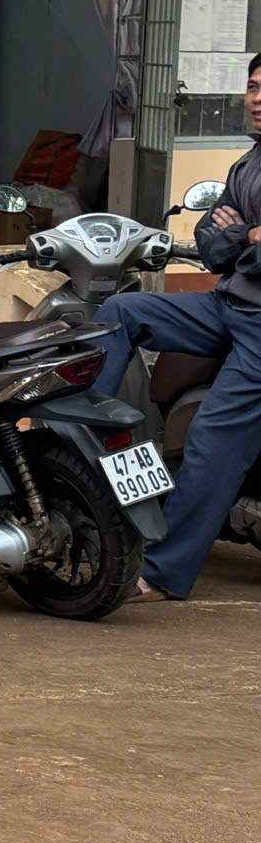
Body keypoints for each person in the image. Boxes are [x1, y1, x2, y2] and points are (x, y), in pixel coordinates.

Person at [90, 48, 261, 599]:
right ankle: (86, 447)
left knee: (214, 436)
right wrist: (243, 235)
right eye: (253, 87)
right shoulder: (248, 163)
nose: (257, 99)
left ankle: (165, 570)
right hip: (229, 305)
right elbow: (211, 247)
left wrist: (238, 237)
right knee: (122, 311)